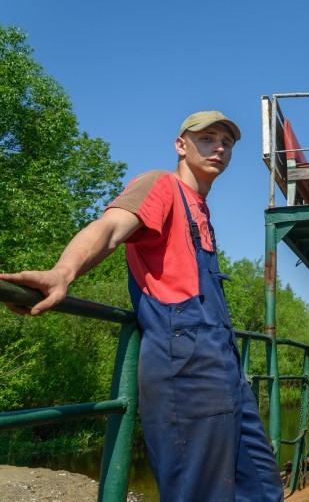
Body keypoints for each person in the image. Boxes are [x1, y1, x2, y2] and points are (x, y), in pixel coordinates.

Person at [0, 111, 284, 501]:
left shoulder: (199, 207)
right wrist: (62, 273)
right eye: (208, 138)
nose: (219, 147)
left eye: (227, 142)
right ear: (181, 145)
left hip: (224, 367)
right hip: (185, 367)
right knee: (199, 492)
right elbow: (111, 229)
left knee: (263, 485)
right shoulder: (160, 185)